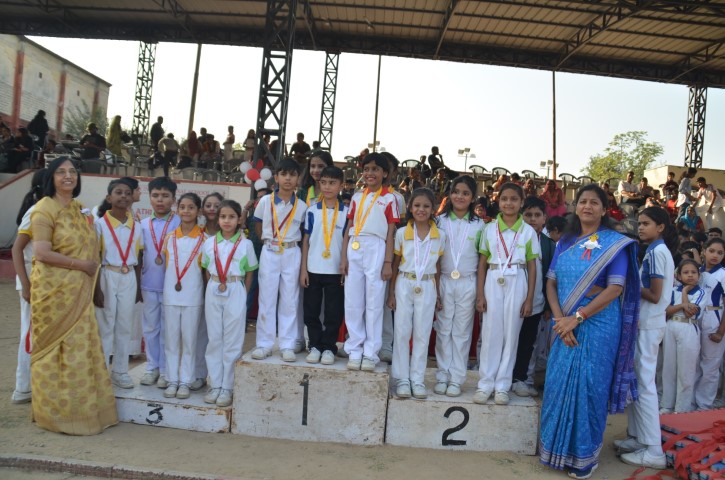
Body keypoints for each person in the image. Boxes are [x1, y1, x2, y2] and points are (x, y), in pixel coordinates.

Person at [540, 184, 640, 480]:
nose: (587, 206)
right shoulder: (565, 241)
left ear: (604, 209)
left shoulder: (615, 243)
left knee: (590, 388)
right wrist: (561, 320)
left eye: (594, 202)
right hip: (564, 322)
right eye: (582, 201)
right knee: (558, 384)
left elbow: (615, 288)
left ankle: (584, 458)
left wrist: (577, 318)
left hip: (599, 323)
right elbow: (551, 283)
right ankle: (556, 451)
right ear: (576, 206)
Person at [30, 156, 118, 434]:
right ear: (51, 177)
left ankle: (82, 412)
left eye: (72, 171)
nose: (68, 176)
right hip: (53, 294)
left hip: (79, 291)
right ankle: (54, 415)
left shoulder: (80, 210)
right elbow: (41, 253)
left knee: (80, 349)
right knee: (53, 351)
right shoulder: (44, 209)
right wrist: (81, 266)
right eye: (61, 172)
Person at [616, 207, 676, 469]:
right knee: (638, 381)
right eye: (639, 223)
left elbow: (654, 294)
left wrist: (628, 283)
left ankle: (653, 449)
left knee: (644, 384)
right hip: (647, 323)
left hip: (649, 324)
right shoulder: (653, 251)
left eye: (646, 223)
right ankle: (638, 437)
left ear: (660, 227)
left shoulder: (657, 253)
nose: (640, 227)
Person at [474, 182, 539, 406]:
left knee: (511, 335)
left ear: (522, 202)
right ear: (498, 201)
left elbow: (532, 267)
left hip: (517, 279)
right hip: (493, 278)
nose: (508, 203)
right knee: (490, 333)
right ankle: (485, 384)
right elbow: (482, 263)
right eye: (504, 199)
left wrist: (529, 299)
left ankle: (502, 385)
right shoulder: (489, 229)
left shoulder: (528, 231)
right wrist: (480, 294)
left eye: (514, 199)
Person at [341, 152, 399, 371]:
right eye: (366, 169)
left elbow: (391, 231)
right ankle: (354, 348)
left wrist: (388, 262)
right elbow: (348, 227)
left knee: (374, 302)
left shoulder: (390, 198)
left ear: (385, 173)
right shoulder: (357, 197)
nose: (370, 173)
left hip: (377, 246)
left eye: (375, 169)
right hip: (355, 245)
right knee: (353, 301)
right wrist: (344, 257)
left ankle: (371, 353)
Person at [388, 188, 444, 399]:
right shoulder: (402, 233)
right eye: (417, 205)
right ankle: (402, 378)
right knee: (402, 331)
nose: (421, 209)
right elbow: (395, 264)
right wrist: (391, 293)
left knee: (422, 333)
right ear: (410, 208)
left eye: (426, 206)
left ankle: (417, 379)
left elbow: (438, 267)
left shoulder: (440, 236)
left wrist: (438, 294)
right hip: (405, 282)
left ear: (433, 209)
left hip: (427, 284)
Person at [202, 200, 258, 407]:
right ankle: (215, 384)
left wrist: (243, 293)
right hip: (214, 287)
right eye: (223, 217)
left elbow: (250, 272)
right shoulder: (209, 243)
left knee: (232, 339)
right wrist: (214, 284)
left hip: (235, 287)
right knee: (214, 338)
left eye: (231, 217)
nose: (227, 221)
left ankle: (227, 386)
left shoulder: (246, 244)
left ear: (239, 219)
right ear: (218, 219)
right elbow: (206, 269)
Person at [251, 159, 307, 362]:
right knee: (266, 298)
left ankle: (287, 344)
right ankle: (264, 344)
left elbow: (303, 232)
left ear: (298, 179)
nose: (288, 179)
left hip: (292, 251)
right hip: (270, 250)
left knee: (290, 299)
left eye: (292, 175)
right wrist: (268, 241)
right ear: (276, 177)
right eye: (284, 174)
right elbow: (257, 225)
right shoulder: (265, 201)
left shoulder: (302, 206)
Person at [433, 176, 485, 397]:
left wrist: (480, 292)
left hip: (467, 281)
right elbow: (435, 257)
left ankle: (456, 378)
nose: (460, 197)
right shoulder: (439, 221)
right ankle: (442, 374)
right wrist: (435, 288)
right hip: (444, 280)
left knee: (462, 332)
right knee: (443, 329)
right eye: (456, 192)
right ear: (449, 194)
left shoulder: (480, 224)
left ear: (472, 197)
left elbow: (482, 260)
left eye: (465, 193)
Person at [93, 180, 143, 389]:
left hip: (128, 276)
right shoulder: (99, 225)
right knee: (105, 326)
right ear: (109, 198)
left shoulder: (137, 226)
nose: (123, 196)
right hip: (107, 274)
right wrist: (96, 288)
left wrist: (138, 286)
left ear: (132, 198)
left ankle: (120, 371)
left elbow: (139, 258)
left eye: (127, 193)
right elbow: (95, 257)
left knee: (124, 326)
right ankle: (101, 373)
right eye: (118, 192)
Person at [300, 166, 348, 365]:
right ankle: (314, 345)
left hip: (335, 270)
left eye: (332, 183)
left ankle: (329, 347)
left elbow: (347, 240)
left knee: (333, 311)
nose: (327, 187)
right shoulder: (312, 211)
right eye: (324, 182)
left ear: (341, 186)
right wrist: (303, 269)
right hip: (313, 268)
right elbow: (306, 241)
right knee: (311, 310)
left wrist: (344, 263)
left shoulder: (346, 213)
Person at [162, 193, 205, 400]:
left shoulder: (205, 240)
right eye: (182, 207)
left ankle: (186, 380)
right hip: (171, 295)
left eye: (191, 207)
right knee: (171, 341)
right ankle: (172, 379)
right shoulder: (170, 237)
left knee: (189, 341)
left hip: (193, 297)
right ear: (177, 209)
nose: (186, 211)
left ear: (198, 211)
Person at [512, 196, 555, 398]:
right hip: (510, 298)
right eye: (528, 215)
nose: (532, 219)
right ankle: (503, 377)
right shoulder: (513, 237)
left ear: (545, 218)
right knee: (508, 340)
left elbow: (550, 277)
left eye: (537, 215)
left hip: (536, 302)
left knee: (528, 342)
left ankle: (521, 379)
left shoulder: (549, 245)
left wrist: (547, 306)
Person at [139, 177, 180, 389]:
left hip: (171, 287)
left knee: (168, 330)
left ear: (173, 199)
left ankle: (165, 370)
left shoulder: (179, 223)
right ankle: (151, 367)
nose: (160, 200)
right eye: (155, 195)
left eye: (165, 196)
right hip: (149, 283)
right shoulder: (143, 225)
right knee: (150, 328)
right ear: (149, 197)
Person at [11, 170, 47, 404]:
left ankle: (36, 385)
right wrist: (26, 285)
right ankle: (23, 387)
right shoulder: (35, 211)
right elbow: (17, 249)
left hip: (45, 280)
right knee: (30, 334)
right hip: (32, 279)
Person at [660, 259, 706, 414]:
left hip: (688, 327)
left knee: (686, 371)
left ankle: (682, 408)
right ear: (679, 276)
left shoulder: (701, 292)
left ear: (699, 275)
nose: (690, 275)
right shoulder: (673, 290)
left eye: (693, 272)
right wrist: (682, 304)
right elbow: (666, 311)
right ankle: (667, 404)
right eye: (686, 272)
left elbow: (690, 312)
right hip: (671, 326)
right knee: (669, 368)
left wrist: (685, 293)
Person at [693, 237, 725, 410]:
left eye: (720, 253)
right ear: (704, 251)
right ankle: (691, 402)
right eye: (712, 251)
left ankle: (704, 405)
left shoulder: (723, 274)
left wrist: (720, 332)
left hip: (714, 317)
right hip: (695, 318)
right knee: (694, 362)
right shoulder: (696, 271)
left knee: (711, 364)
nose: (715, 255)